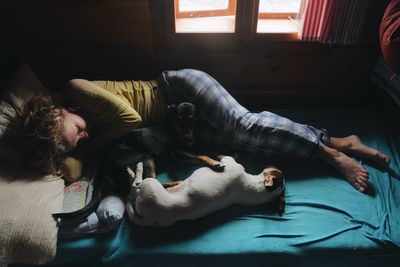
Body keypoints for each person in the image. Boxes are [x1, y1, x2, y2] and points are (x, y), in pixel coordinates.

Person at [23, 69, 390, 234]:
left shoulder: (74, 88)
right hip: (178, 128)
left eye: (76, 131)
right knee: (245, 141)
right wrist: (70, 154)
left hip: (177, 90)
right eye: (80, 141)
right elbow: (72, 162)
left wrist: (92, 147)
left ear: (60, 112)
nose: (85, 137)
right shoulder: (75, 127)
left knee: (244, 126)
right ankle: (337, 141)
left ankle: (331, 155)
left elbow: (130, 118)